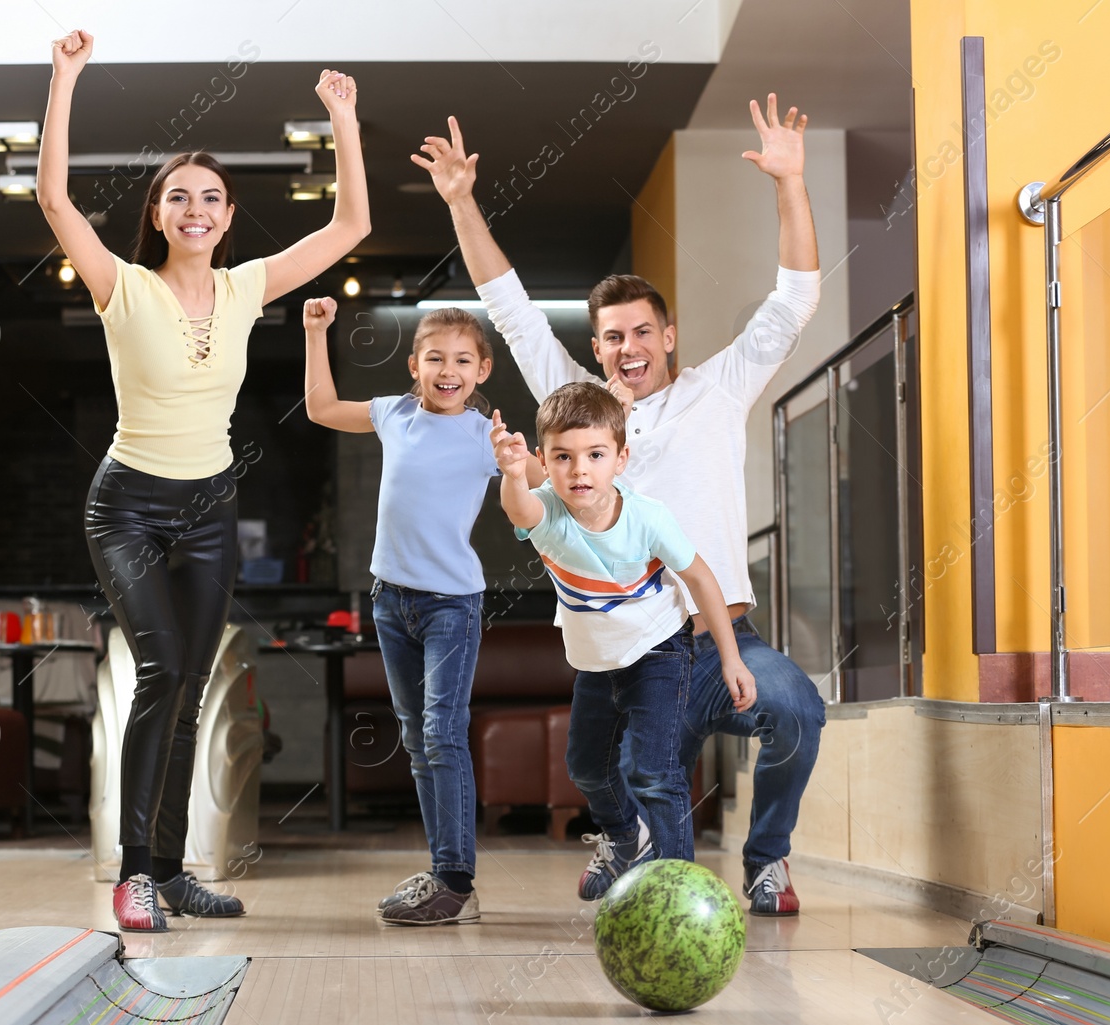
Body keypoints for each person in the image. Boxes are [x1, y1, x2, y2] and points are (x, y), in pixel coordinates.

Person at [417, 95, 824, 916]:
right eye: (611, 337)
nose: (627, 349)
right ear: (596, 347)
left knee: (799, 712)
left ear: (667, 337)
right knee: (596, 770)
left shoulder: (719, 390)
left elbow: (793, 302)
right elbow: (510, 307)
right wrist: (462, 201)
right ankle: (619, 832)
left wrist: (789, 184)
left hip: (714, 635)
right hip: (621, 641)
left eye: (641, 333)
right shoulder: (577, 404)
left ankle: (765, 860)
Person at [37, 30, 369, 932]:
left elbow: (350, 228)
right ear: (158, 214)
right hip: (129, 506)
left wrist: (342, 119)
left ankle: (179, 870)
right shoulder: (121, 288)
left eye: (212, 198)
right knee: (160, 668)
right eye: (178, 195)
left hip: (211, 507)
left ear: (226, 218)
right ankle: (136, 873)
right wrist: (65, 77)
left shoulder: (246, 288)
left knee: (188, 680)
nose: (196, 208)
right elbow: (55, 197)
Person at [303, 297, 527, 926]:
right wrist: (316, 334)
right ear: (414, 365)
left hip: (451, 606)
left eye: (462, 360)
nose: (447, 369)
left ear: (482, 369)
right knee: (415, 739)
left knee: (440, 732)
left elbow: (544, 481)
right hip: (389, 601)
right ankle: (446, 871)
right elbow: (321, 408)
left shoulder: (486, 435)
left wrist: (515, 462)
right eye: (435, 358)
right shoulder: (393, 415)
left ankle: (456, 881)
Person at [492, 384, 755, 900]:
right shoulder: (546, 511)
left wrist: (731, 659)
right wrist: (512, 473)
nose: (579, 470)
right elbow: (520, 510)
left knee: (656, 772)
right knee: (586, 767)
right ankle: (623, 838)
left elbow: (702, 580)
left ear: (621, 458)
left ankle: (678, 891)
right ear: (544, 460)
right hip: (596, 663)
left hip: (660, 649)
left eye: (595, 455)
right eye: (563, 458)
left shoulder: (647, 515)